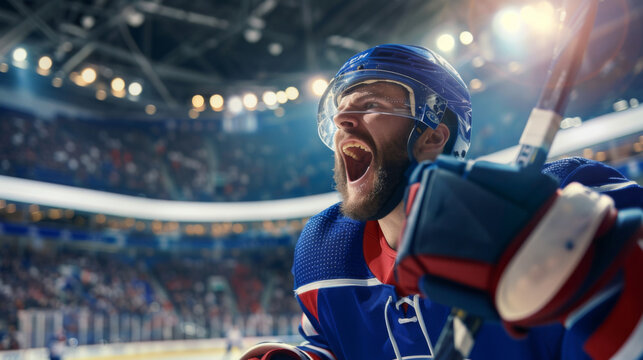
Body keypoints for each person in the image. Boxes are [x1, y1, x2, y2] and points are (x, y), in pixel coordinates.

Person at [241, 44, 642, 360]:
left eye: (369, 103)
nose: (344, 119)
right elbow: (331, 342)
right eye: (340, 112)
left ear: (434, 134)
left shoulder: (564, 193)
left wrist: (594, 272)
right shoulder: (321, 248)